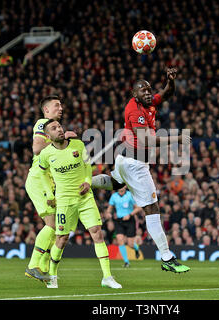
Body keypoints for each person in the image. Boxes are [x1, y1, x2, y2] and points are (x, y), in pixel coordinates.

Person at [92, 68, 191, 273]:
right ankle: (166, 256)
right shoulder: (134, 110)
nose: (147, 93)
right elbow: (148, 140)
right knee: (152, 208)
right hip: (135, 165)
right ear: (134, 94)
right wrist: (178, 138)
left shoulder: (148, 103)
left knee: (116, 182)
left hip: (125, 160)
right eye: (142, 90)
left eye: (148, 89)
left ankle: (84, 180)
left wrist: (170, 81)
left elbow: (166, 94)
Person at [38, 119, 121, 289]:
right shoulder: (46, 154)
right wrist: (48, 193)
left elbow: (87, 166)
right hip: (64, 201)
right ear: (48, 136)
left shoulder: (77, 145)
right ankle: (52, 276)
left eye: (60, 126)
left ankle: (107, 277)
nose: (59, 129)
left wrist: (87, 182)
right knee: (61, 239)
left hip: (85, 198)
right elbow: (42, 173)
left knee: (97, 233)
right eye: (54, 128)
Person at [24, 95, 76, 283]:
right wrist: (63, 140)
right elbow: (37, 148)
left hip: (50, 182)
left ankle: (44, 270)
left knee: (59, 229)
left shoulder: (55, 130)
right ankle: (33, 266)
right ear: (46, 110)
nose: (60, 108)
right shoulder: (43, 123)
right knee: (53, 225)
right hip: (39, 179)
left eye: (61, 105)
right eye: (56, 105)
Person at [106, 186, 143, 267]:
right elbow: (109, 208)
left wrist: (130, 214)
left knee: (130, 244)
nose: (120, 188)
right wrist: (108, 213)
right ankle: (126, 262)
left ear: (125, 186)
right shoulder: (114, 196)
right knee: (120, 239)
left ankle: (136, 249)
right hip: (119, 221)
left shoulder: (130, 195)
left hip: (130, 220)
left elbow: (139, 208)